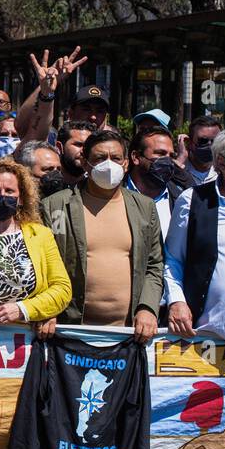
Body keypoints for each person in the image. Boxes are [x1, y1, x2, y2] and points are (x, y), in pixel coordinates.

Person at [40, 129, 163, 342]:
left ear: (126, 163)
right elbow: (41, 265)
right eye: (99, 158)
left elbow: (154, 265)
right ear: (86, 164)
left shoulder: (145, 207)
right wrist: (46, 307)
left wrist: (147, 307)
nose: (109, 164)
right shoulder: (55, 206)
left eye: (115, 158)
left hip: (128, 334)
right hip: (69, 330)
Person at [164, 126, 225, 342]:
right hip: (207, 338)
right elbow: (173, 259)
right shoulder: (193, 201)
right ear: (222, 163)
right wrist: (176, 301)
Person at [0, 158, 72, 332]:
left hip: (26, 335)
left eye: (9, 191)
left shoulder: (40, 235)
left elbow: (62, 289)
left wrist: (24, 309)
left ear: (21, 198)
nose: (2, 195)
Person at [126, 125, 191, 238]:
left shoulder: (182, 200)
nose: (167, 160)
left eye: (171, 155)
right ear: (136, 157)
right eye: (160, 153)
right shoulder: (112, 195)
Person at [179, 115, 222, 186]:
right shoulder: (178, 169)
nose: (210, 146)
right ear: (189, 142)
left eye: (215, 141)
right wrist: (180, 160)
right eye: (203, 141)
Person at [55, 120, 94, 189]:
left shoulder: (97, 187)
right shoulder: (47, 184)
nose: (83, 151)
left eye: (88, 146)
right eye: (78, 145)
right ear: (59, 147)